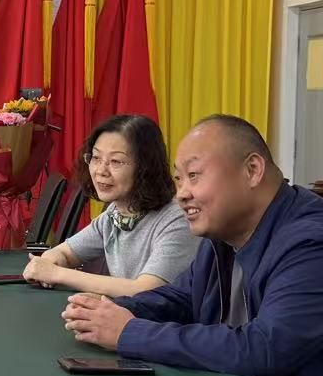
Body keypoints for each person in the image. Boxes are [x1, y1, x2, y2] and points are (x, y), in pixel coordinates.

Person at [63, 115, 323, 376]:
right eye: (179, 179)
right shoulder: (225, 234)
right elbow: (182, 298)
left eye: (194, 175)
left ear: (252, 170)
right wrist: (108, 311)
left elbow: (263, 350)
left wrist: (129, 332)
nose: (181, 193)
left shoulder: (319, 244)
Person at [21, 114, 197, 296]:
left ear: (145, 167)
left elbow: (147, 290)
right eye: (96, 158)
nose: (101, 171)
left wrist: (57, 274)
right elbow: (64, 253)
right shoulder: (116, 213)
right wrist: (48, 262)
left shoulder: (178, 219)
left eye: (116, 161)